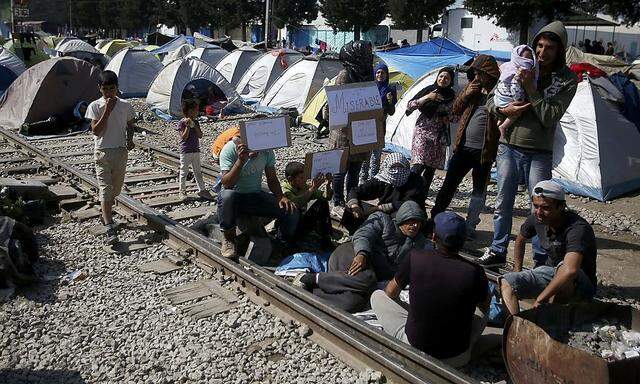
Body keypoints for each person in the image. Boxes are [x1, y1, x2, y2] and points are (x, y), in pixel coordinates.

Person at [480, 21, 578, 267]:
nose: (543, 53)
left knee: (541, 209)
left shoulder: (566, 80)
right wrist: (504, 107)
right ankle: (497, 249)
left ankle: (541, 259)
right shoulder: (520, 63)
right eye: (540, 46)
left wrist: (530, 89)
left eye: (550, 48)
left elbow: (549, 117)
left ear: (560, 51)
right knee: (503, 203)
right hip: (509, 147)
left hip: (539, 153)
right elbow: (491, 100)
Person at [370, 211, 489, 366]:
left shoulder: (415, 257)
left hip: (415, 346)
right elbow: (484, 306)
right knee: (485, 303)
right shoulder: (475, 271)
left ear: (433, 237)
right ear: (464, 241)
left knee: (377, 295)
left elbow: (391, 292)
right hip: (457, 357)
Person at [294, 201, 426, 312]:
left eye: (418, 222)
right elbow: (363, 235)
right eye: (411, 221)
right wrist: (362, 253)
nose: (415, 225)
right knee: (368, 279)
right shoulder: (383, 220)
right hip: (352, 254)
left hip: (365, 278)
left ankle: (311, 290)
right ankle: (311, 278)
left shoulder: (418, 242)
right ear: (402, 219)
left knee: (354, 303)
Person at [500, 180, 597, 315]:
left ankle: (550, 318)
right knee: (507, 282)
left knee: (564, 269)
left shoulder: (578, 228)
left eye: (545, 208)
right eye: (536, 206)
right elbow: (520, 240)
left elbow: (570, 270)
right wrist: (517, 271)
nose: (539, 212)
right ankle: (515, 329)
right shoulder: (537, 218)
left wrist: (540, 300)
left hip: (580, 286)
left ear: (561, 206)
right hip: (550, 273)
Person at [430, 55, 500, 239]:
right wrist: (468, 93)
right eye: (475, 73)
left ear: (488, 75)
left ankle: (470, 226)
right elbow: (455, 109)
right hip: (463, 148)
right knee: (449, 185)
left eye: (480, 74)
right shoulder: (472, 91)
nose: (476, 77)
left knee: (479, 190)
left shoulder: (499, 93)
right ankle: (434, 218)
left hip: (484, 152)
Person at [218, 135, 298, 258]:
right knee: (227, 196)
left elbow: (271, 179)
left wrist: (280, 197)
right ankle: (229, 239)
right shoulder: (230, 149)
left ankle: (282, 244)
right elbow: (227, 183)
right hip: (235, 199)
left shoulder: (267, 151)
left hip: (254, 196)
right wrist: (241, 160)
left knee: (291, 210)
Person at [86, 70, 135, 245]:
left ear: (117, 88)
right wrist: (107, 110)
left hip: (120, 151)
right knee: (106, 190)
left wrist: (130, 140)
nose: (109, 92)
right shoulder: (95, 106)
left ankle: (105, 213)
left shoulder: (126, 105)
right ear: (100, 89)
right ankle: (109, 227)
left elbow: (130, 125)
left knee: (116, 190)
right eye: (105, 89)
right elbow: (96, 131)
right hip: (102, 152)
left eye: (112, 88)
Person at [325, 40, 374, 208]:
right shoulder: (345, 75)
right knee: (340, 169)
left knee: (355, 170)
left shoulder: (369, 73)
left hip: (361, 130)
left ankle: (351, 199)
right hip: (344, 130)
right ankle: (337, 199)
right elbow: (337, 103)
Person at [343, 153, 425, 234]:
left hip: (405, 212)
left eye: (400, 167)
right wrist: (355, 205)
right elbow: (356, 191)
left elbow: (410, 202)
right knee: (351, 207)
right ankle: (354, 232)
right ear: (387, 167)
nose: (397, 170)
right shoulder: (382, 179)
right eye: (393, 167)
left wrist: (379, 208)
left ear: (406, 167)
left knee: (401, 218)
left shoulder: (415, 180)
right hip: (382, 212)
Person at [406, 67, 456, 196]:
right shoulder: (428, 90)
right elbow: (410, 105)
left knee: (430, 170)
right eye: (441, 76)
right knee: (418, 166)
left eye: (446, 78)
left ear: (451, 81)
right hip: (422, 132)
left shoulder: (452, 97)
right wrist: (428, 97)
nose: (443, 79)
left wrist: (447, 117)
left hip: (439, 136)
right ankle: (405, 193)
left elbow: (456, 117)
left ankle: (421, 197)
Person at [281, 162, 334, 250]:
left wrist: (328, 184)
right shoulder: (285, 190)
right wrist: (313, 188)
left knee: (322, 203)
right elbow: (296, 204)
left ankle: (326, 236)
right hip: (290, 228)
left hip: (301, 223)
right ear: (290, 179)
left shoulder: (303, 186)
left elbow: (325, 197)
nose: (305, 180)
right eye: (301, 178)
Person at [360, 62, 397, 184]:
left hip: (380, 125)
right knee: (366, 154)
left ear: (387, 75)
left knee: (376, 154)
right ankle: (362, 177)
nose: (380, 74)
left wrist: (390, 101)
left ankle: (373, 179)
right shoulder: (368, 88)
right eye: (378, 72)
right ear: (374, 74)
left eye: (383, 72)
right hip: (367, 125)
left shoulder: (390, 90)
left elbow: (392, 112)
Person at [493, 45, 539, 137]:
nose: (527, 62)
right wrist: (520, 101)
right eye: (524, 59)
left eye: (529, 59)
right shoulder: (518, 75)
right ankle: (504, 126)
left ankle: (500, 119)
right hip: (504, 99)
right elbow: (515, 89)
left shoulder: (507, 67)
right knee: (518, 110)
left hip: (498, 97)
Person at [176, 99, 213, 200]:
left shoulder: (196, 122)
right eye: (196, 110)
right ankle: (182, 190)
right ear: (189, 111)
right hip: (186, 151)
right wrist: (188, 126)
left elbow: (200, 135)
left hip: (195, 150)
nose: (197, 111)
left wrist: (194, 126)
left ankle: (202, 190)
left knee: (198, 171)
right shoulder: (181, 123)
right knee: (184, 171)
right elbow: (183, 137)